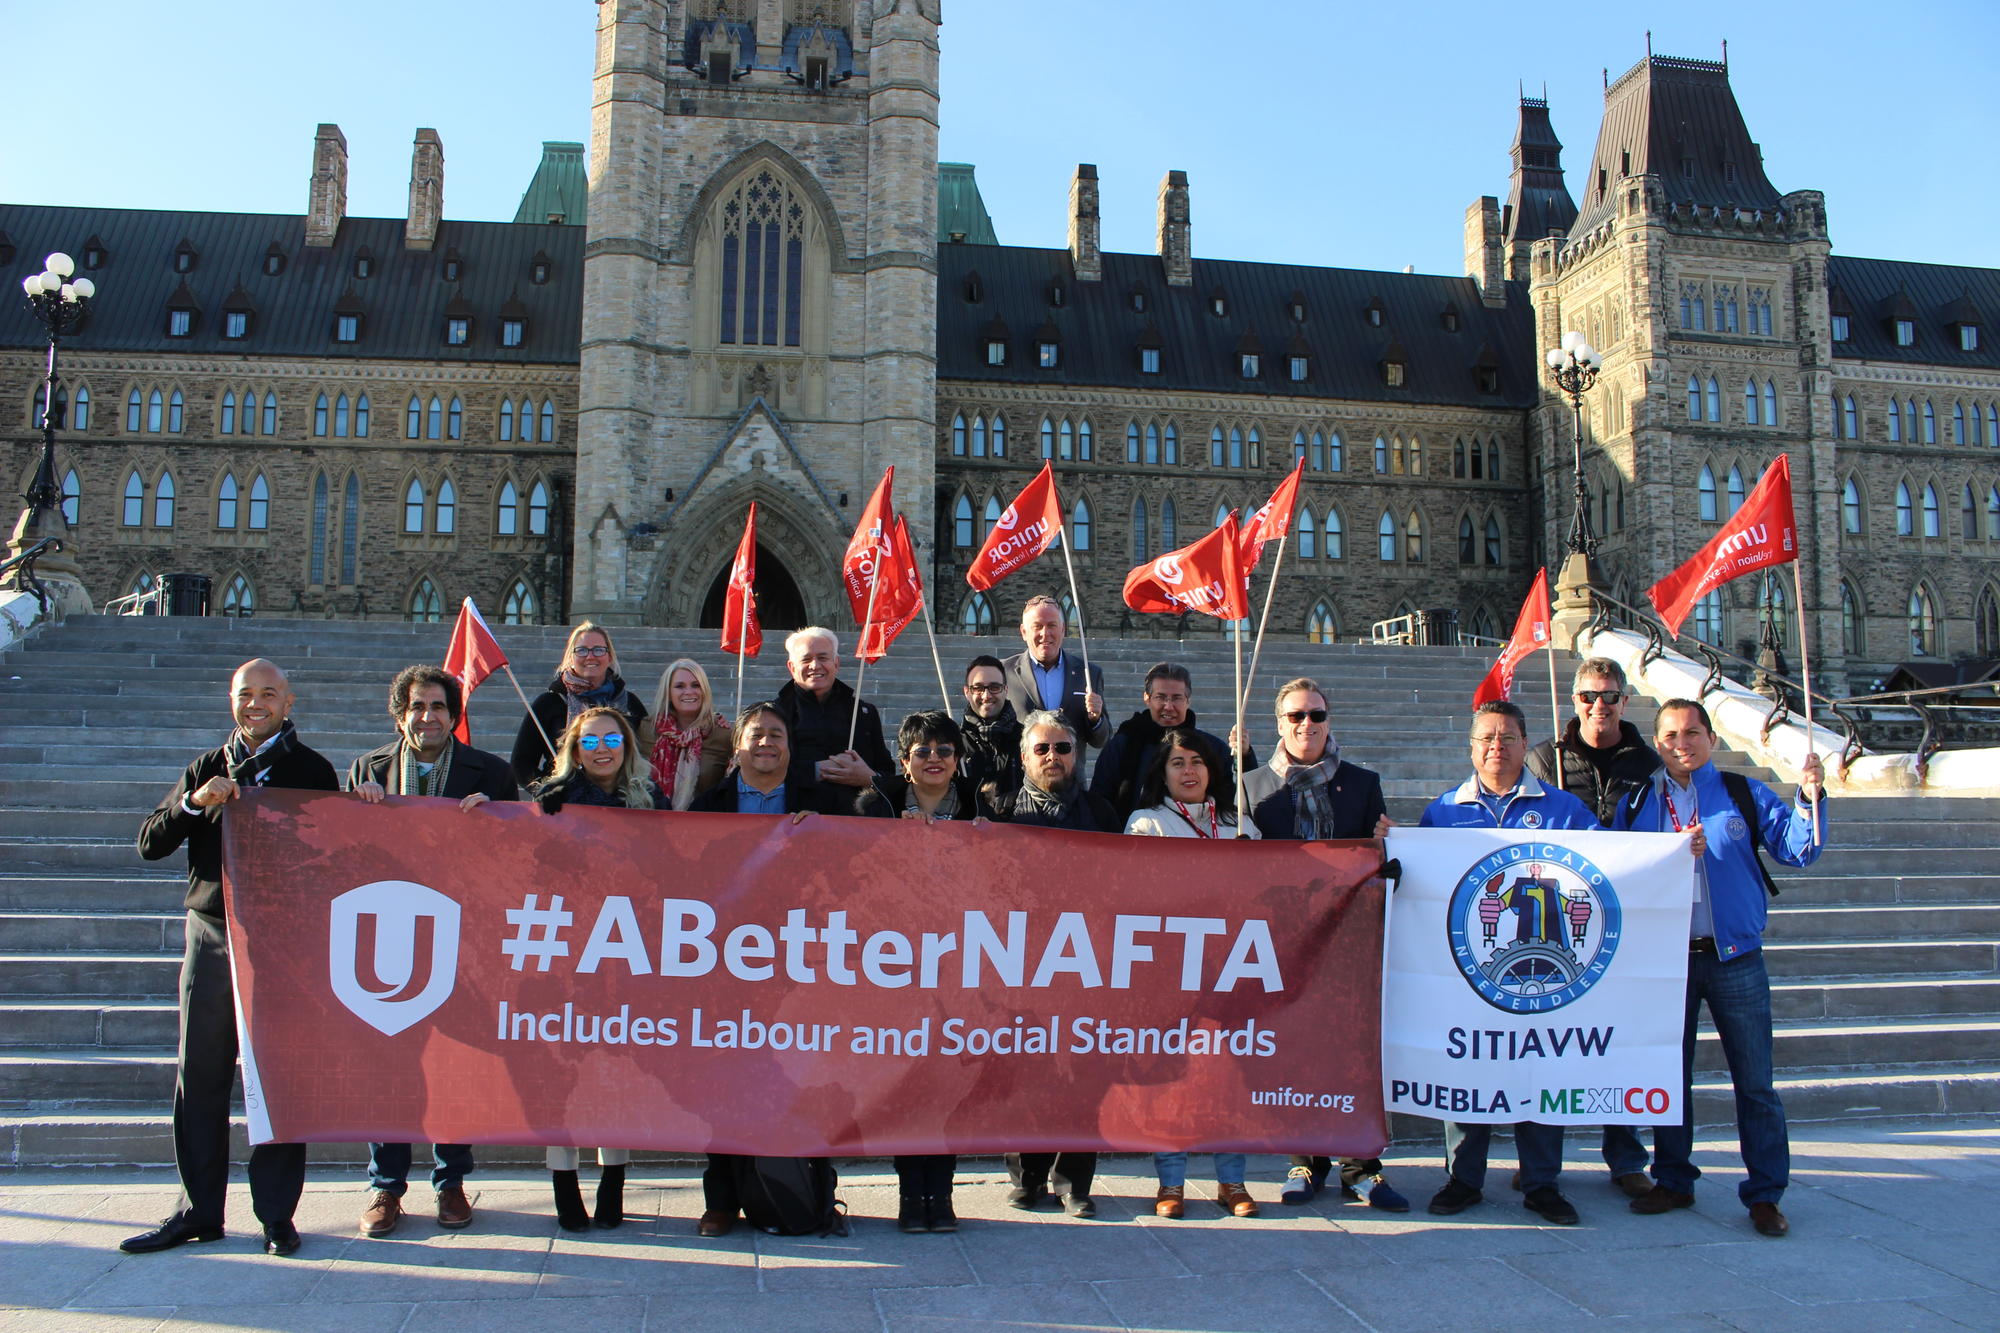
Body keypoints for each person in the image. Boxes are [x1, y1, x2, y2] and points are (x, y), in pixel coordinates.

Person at [124, 659, 340, 1258]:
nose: (256, 704)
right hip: (213, 931)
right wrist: (196, 803)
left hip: (281, 942)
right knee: (202, 1073)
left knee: (276, 1076)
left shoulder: (311, 771)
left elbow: (340, 857)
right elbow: (150, 842)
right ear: (231, 700)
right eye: (247, 694)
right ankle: (198, 1210)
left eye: (269, 694)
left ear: (288, 702)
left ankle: (276, 1215)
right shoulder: (207, 766)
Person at [1614, 698, 1826, 1239]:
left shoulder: (1740, 793)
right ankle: (1673, 1179)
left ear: (1709, 737)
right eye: (1669, 735)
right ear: (1656, 743)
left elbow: (1798, 851)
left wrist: (1809, 797)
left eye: (1691, 733)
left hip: (1735, 958)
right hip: (1667, 962)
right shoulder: (1638, 801)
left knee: (1755, 1083)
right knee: (1669, 1077)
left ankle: (1764, 1194)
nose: (1680, 744)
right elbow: (1617, 875)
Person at [347, 664, 518, 1238]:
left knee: (455, 1062)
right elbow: (344, 851)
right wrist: (357, 806)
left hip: (466, 937)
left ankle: (451, 1181)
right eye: (418, 707)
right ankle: (385, 1188)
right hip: (390, 934)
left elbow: (520, 857)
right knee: (391, 1062)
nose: (429, 717)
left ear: (455, 714)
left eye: (439, 707)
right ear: (401, 715)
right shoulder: (367, 770)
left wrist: (494, 822)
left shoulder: (490, 773)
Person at [1418, 701, 1599, 1227]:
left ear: (1526, 744)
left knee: (1540, 1073)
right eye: (1487, 737)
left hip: (1542, 975)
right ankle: (1463, 1179)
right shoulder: (1443, 811)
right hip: (1468, 972)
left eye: (1508, 736)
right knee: (1468, 1073)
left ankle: (1542, 1183)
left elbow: (1612, 865)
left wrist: (1676, 854)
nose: (1497, 746)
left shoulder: (1565, 810)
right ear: (1471, 746)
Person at [1238, 677, 1405, 1212]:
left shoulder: (1361, 783)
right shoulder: (1252, 787)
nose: (1306, 725)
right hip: (1281, 939)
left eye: (1316, 715)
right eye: (1295, 716)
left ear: (1329, 721)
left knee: (1350, 1052)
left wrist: (1387, 846)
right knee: (1294, 1050)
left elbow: (1378, 861)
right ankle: (1303, 1160)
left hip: (1348, 938)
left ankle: (1361, 1166)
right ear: (1278, 723)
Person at [1525, 655, 1661, 1201]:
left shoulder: (1648, 764)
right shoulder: (1542, 759)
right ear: (1573, 700)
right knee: (1546, 1044)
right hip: (1558, 922)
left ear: (1625, 702)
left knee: (1617, 1044)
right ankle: (1540, 1161)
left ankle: (1626, 1156)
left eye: (1609, 697)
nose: (1598, 706)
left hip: (1623, 922)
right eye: (1588, 696)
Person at [687, 703, 820, 1236]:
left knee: (794, 1079)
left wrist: (829, 834)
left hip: (797, 962)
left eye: (776, 735)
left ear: (790, 746)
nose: (766, 743)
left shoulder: (819, 805)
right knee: (722, 1079)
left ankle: (801, 1189)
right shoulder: (708, 806)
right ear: (737, 746)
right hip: (724, 961)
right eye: (756, 735)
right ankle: (720, 1197)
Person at [854, 710, 989, 1232]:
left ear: (957, 760)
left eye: (944, 751)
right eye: (922, 752)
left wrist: (984, 840)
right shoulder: (876, 807)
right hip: (897, 967)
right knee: (909, 1084)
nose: (934, 759)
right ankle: (913, 1194)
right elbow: (852, 873)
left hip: (963, 965)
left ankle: (944, 1193)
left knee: (948, 1084)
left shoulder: (984, 805)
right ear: (905, 762)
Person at [528, 707, 661, 1229]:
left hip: (627, 951)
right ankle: (564, 1180)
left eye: (612, 739)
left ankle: (613, 1180)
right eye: (590, 741)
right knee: (561, 1070)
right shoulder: (551, 801)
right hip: (565, 951)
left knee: (615, 1070)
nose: (602, 748)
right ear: (575, 749)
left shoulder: (653, 801)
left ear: (627, 745)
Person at [1123, 728, 1262, 1218]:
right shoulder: (1147, 823)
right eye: (1177, 762)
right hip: (1169, 972)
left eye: (1197, 761)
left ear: (1212, 769)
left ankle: (1233, 1182)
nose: (1188, 770)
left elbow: (1265, 892)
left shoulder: (1238, 823)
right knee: (1172, 1079)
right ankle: (1171, 1183)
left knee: (1229, 1076)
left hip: (1231, 970)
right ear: (1162, 772)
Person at [994, 710, 1115, 1216]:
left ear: (1076, 754)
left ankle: (1074, 1182)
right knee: (1025, 1069)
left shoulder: (1104, 813)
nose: (1053, 757)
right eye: (1042, 749)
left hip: (1087, 959)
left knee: (1083, 1073)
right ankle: (1027, 1175)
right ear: (1025, 757)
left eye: (1063, 748)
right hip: (1018, 959)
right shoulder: (999, 812)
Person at [1092, 663, 1253, 822]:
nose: (1168, 706)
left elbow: (1237, 796)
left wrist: (1244, 757)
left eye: (1177, 698)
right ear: (1146, 698)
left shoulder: (1211, 748)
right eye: (1160, 697)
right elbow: (1100, 800)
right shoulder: (1122, 745)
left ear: (1188, 701)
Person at [511, 621, 650, 787]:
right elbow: (521, 763)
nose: (590, 656)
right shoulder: (549, 703)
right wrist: (546, 792)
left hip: (620, 800)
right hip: (566, 803)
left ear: (610, 656)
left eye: (598, 650)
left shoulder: (630, 703)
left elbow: (646, 755)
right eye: (582, 650)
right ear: (571, 657)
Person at [774, 627, 894, 806]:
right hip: (794, 819)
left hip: (854, 821)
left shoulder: (863, 713)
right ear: (792, 667)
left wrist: (869, 778)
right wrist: (816, 770)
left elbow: (888, 773)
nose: (815, 666)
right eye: (806, 659)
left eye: (823, 658)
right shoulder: (773, 714)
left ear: (836, 663)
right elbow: (761, 769)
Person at [1001, 595, 1109, 759]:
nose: (1045, 633)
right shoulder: (1003, 672)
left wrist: (1095, 719)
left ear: (1063, 629)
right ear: (1023, 632)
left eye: (1052, 625)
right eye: (1037, 626)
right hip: (1020, 780)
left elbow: (1101, 740)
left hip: (1070, 781)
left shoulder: (1088, 673)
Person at [648, 657, 733, 810]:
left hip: (703, 825)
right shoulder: (646, 728)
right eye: (679, 686)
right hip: (651, 824)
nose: (688, 692)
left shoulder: (723, 735)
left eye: (696, 685)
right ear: (668, 692)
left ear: (704, 690)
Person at [958, 654, 1024, 806]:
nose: (986, 695)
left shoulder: (1028, 740)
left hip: (1018, 825)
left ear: (1005, 690)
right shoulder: (954, 744)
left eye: (994, 687)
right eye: (978, 688)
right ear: (967, 692)